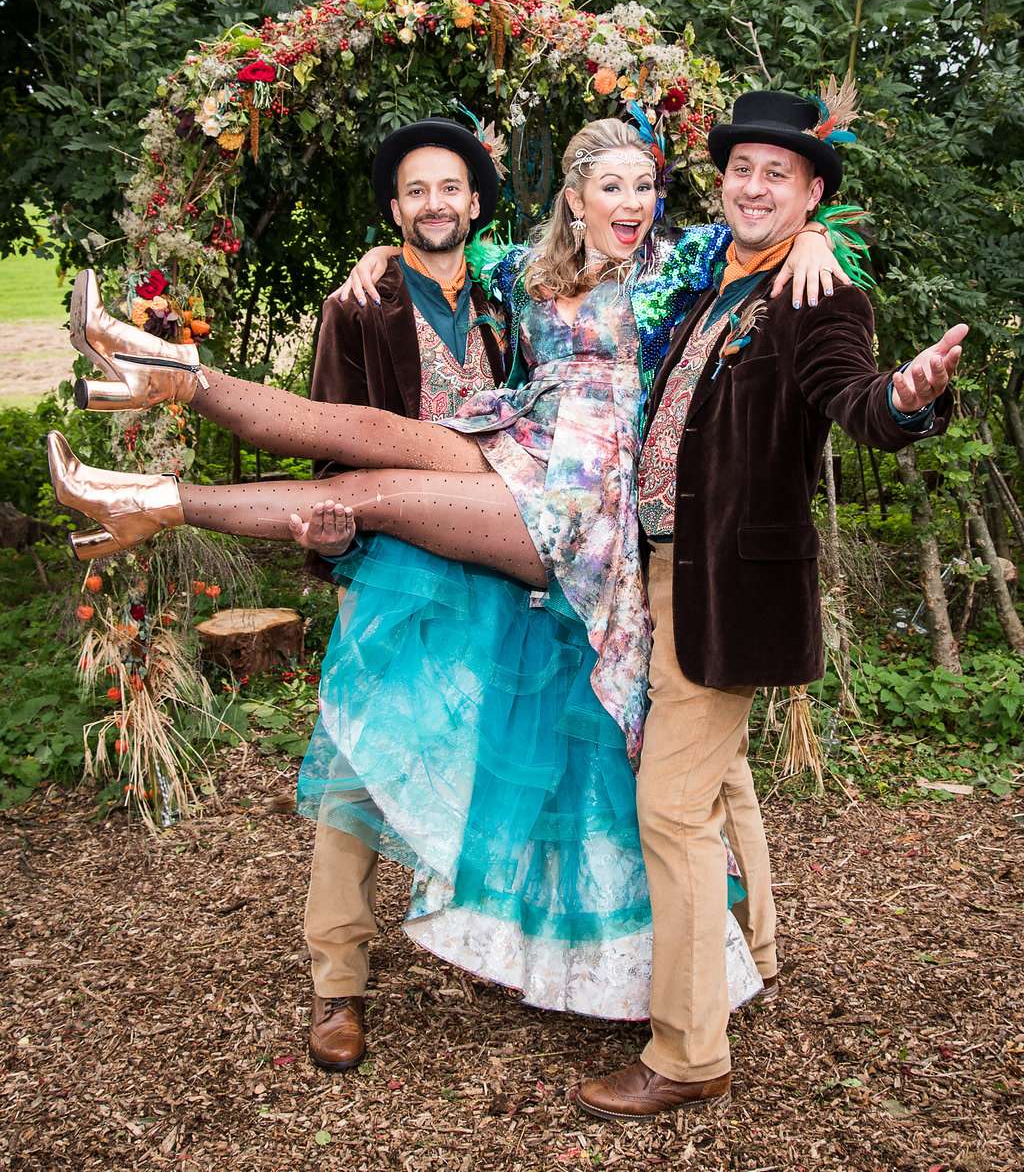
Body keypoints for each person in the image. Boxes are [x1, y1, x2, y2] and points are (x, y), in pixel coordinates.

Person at [48, 112, 844, 1021]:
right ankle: (163, 384)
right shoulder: (525, 269)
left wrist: (816, 232)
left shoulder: (680, 263)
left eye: (643, 187)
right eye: (611, 186)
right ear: (574, 199)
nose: (631, 203)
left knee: (381, 497)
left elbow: (762, 233)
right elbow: (436, 254)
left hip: (587, 498)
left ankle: (157, 499)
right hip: (520, 434)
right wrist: (380, 255)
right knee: (366, 441)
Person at [573, 89, 965, 1121]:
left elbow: (852, 394)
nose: (753, 186)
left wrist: (905, 398)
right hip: (661, 576)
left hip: (731, 589)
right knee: (718, 786)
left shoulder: (814, 289)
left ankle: (688, 1050)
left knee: (671, 809)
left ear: (812, 193)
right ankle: (755, 950)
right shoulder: (715, 280)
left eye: (777, 174)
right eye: (741, 168)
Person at [301, 118, 507, 1071]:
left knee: (494, 754)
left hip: (495, 561)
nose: (434, 204)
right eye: (416, 190)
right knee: (359, 766)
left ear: (475, 201)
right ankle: (337, 980)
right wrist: (336, 537)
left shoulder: (510, 298)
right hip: (390, 564)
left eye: (449, 187)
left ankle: (498, 946)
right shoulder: (357, 306)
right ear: (395, 210)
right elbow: (329, 435)